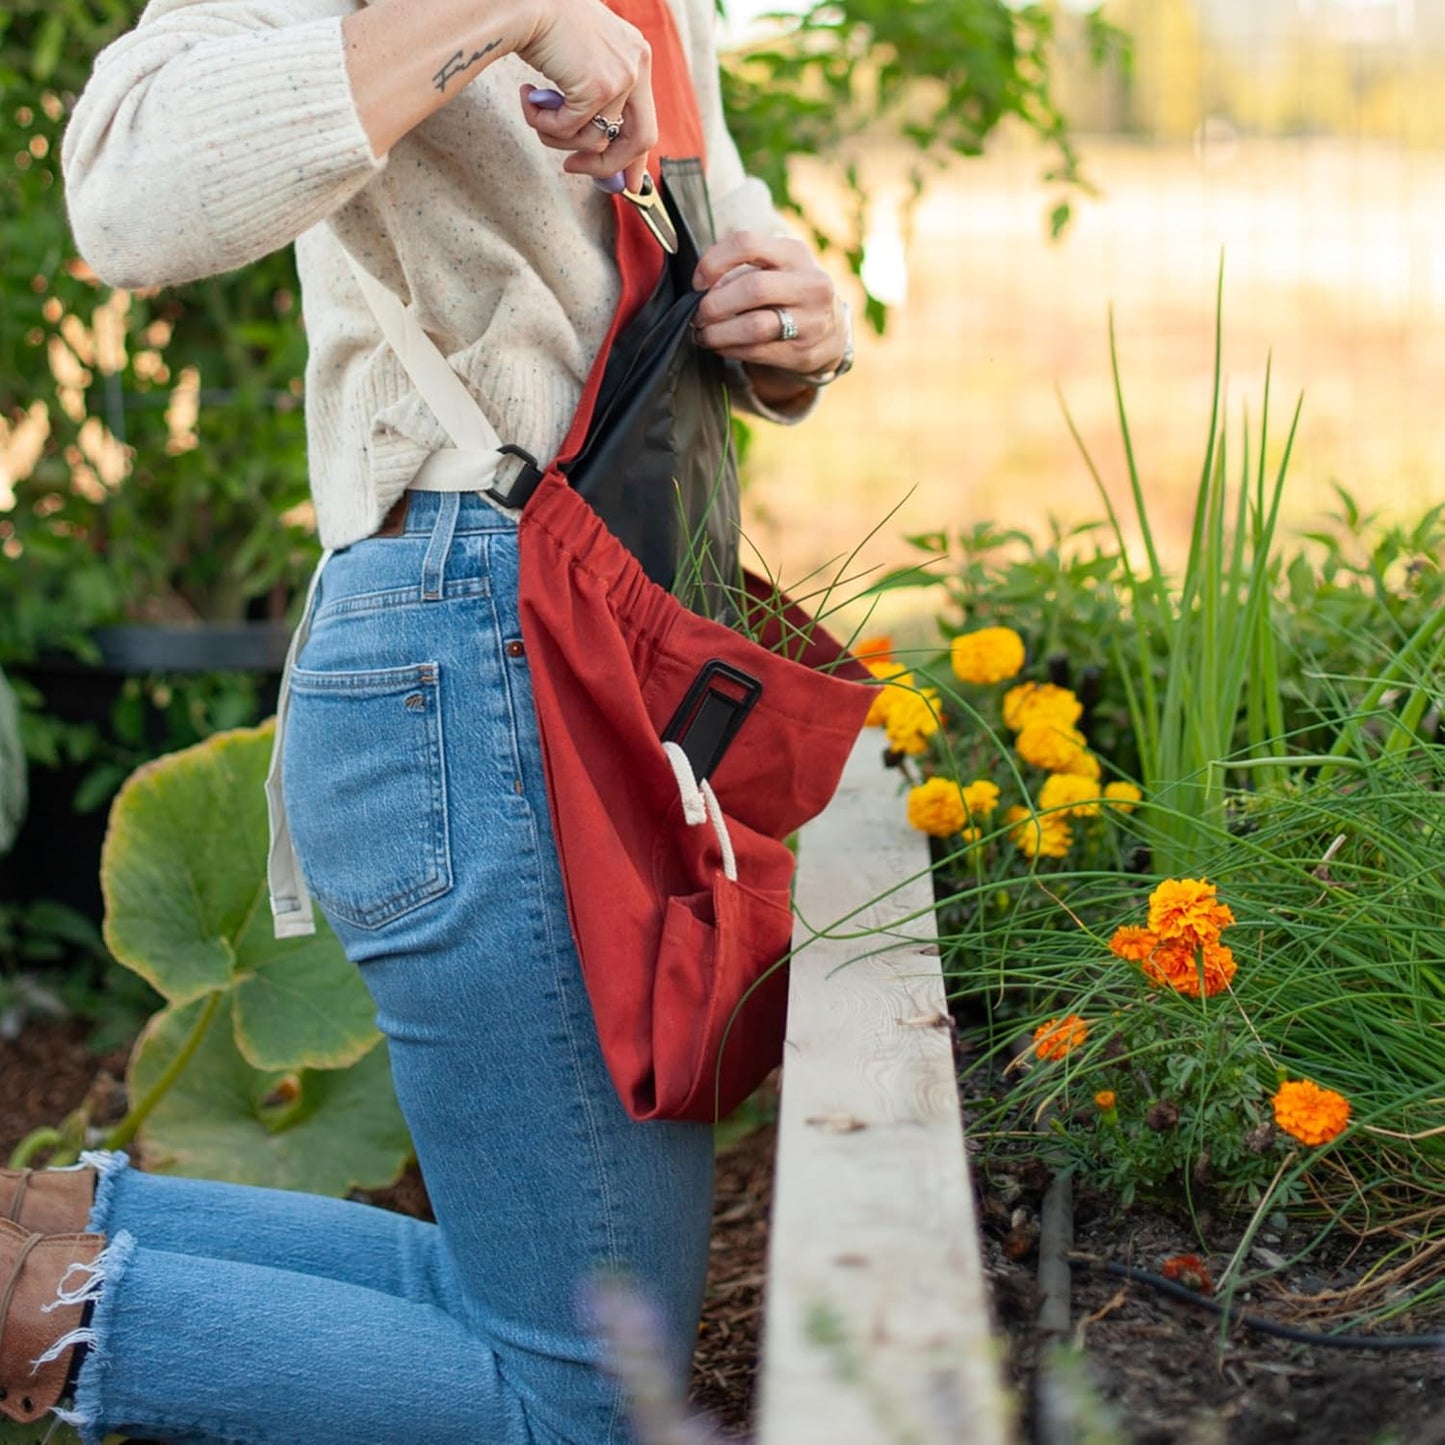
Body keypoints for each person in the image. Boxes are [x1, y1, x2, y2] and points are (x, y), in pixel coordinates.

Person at [0, 1, 853, 1441]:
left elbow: (650, 273)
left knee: (529, 1322)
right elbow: (129, 189)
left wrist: (787, 331)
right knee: (595, 1400)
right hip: (479, 645)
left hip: (592, 653)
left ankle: (43, 1239)